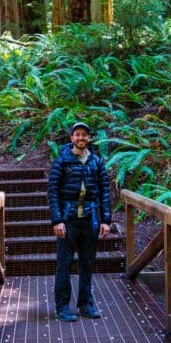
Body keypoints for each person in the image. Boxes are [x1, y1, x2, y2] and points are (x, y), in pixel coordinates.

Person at [48, 122, 111, 322]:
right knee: (64, 264)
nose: (80, 138)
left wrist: (106, 220)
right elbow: (53, 192)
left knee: (87, 263)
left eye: (84, 135)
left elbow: (105, 193)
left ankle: (85, 305)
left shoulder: (96, 162)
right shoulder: (62, 162)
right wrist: (57, 220)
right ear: (71, 138)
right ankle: (62, 307)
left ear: (89, 138)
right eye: (77, 135)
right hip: (68, 219)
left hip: (90, 219)